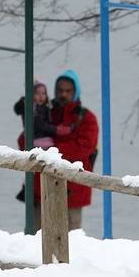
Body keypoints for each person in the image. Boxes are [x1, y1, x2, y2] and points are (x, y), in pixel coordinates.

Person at [39, 70, 98, 233]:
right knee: (37, 237)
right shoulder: (44, 113)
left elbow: (83, 148)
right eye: (60, 90)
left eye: (68, 91)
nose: (63, 94)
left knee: (72, 238)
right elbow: (25, 140)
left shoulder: (87, 118)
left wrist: (49, 149)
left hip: (73, 190)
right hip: (41, 189)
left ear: (75, 92)